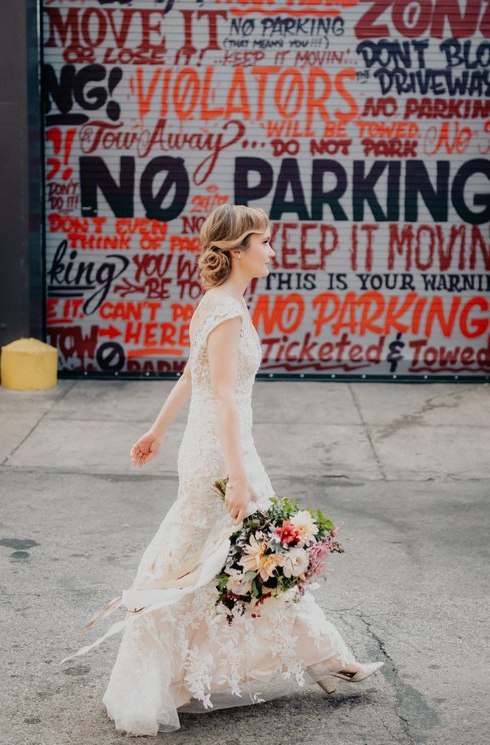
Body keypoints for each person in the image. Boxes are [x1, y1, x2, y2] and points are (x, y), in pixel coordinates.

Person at [96, 204, 382, 735]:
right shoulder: (225, 311)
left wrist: (156, 431)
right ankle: (317, 659)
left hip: (221, 448)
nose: (273, 250)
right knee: (232, 559)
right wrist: (239, 474)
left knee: (256, 558)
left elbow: (189, 375)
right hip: (221, 455)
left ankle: (325, 656)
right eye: (264, 241)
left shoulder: (218, 304)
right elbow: (221, 395)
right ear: (236, 251)